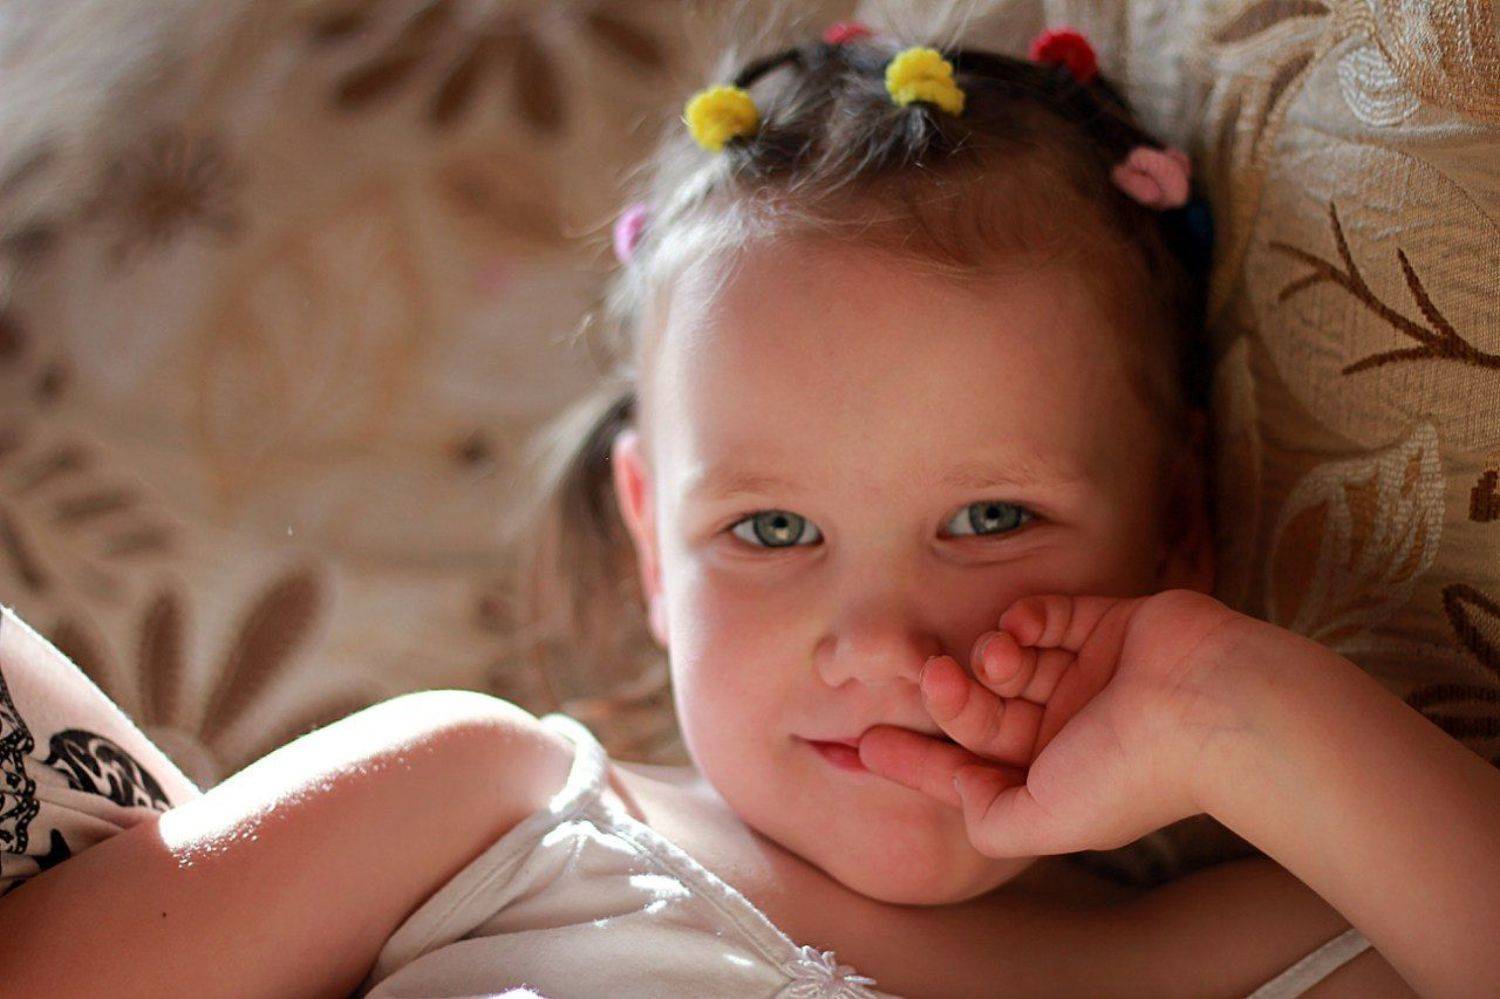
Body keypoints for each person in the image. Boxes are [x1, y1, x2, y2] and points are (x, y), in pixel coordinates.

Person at [2, 18, 1495, 998]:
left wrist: (1233, 706)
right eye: (772, 532)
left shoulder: (1241, 955)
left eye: (990, 520)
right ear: (652, 544)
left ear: (1173, 529)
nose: (880, 641)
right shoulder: (477, 803)